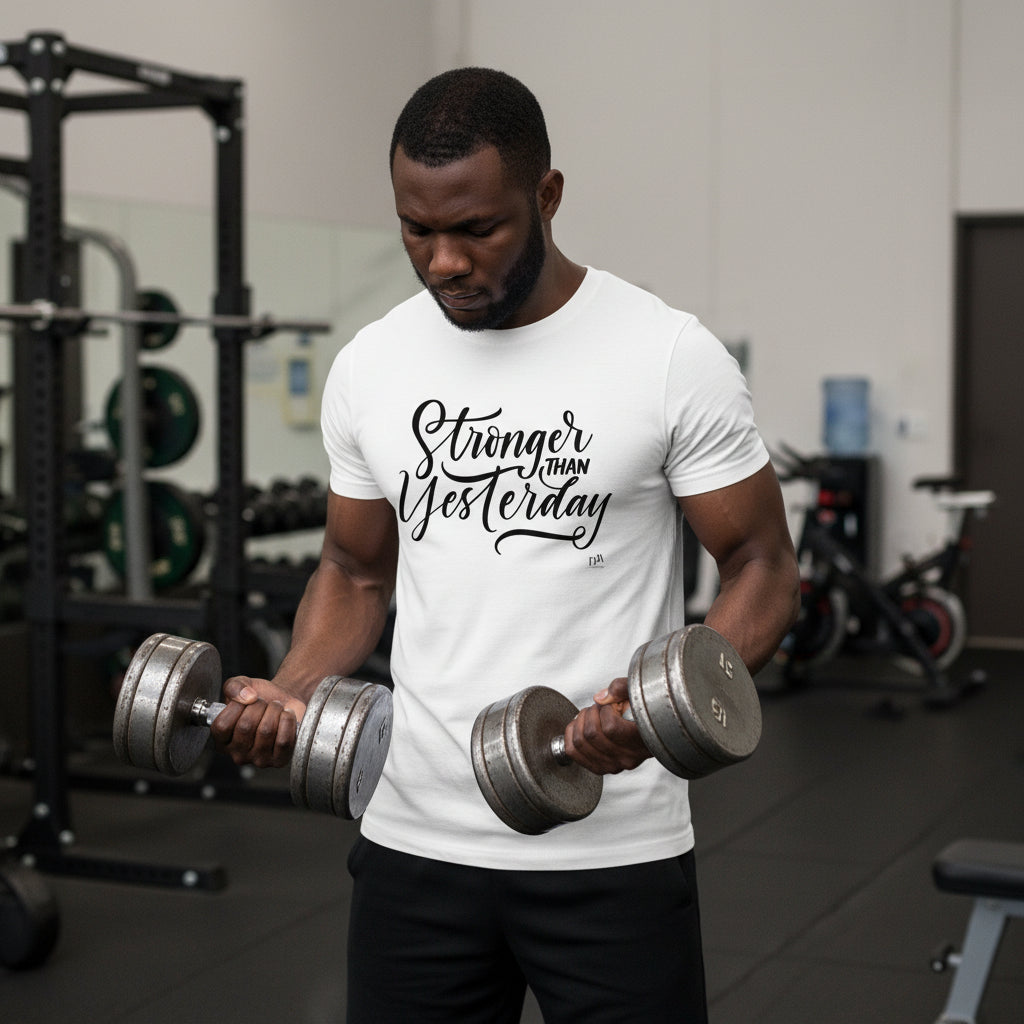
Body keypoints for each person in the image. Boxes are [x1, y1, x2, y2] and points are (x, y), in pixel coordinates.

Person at [211, 67, 800, 1023]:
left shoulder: (666, 355)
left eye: (477, 229)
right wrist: (294, 685)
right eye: (416, 229)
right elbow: (356, 569)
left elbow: (764, 567)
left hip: (610, 847)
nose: (444, 260)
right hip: (414, 838)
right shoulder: (373, 366)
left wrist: (662, 708)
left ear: (547, 196)